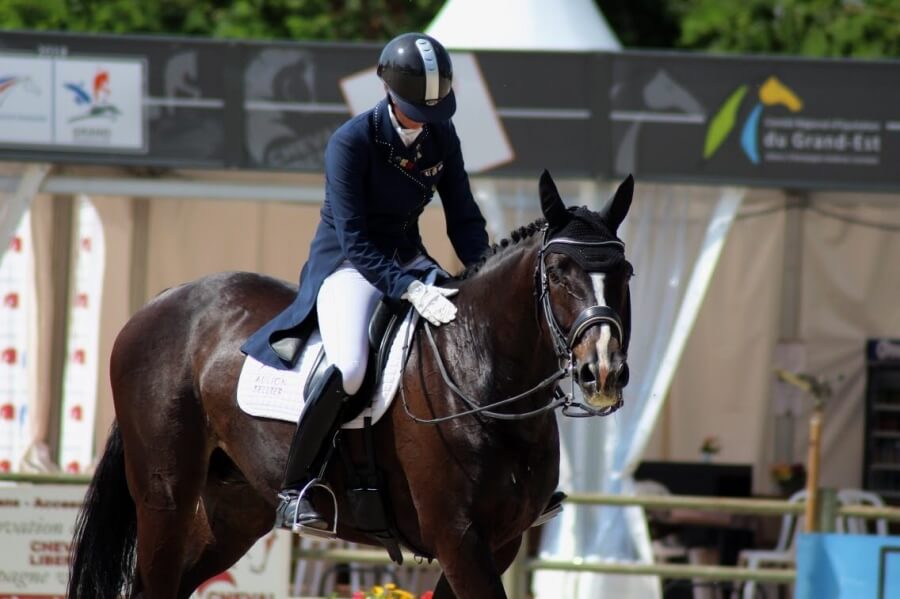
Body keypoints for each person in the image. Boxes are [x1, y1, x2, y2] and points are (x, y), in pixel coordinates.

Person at [240, 32, 490, 532]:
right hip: (348, 267)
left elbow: (463, 217)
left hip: (410, 260)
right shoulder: (350, 143)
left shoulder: (443, 135)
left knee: (476, 344)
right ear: (391, 94)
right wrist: (410, 289)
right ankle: (296, 487)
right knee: (351, 366)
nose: (429, 121)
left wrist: (482, 271)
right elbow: (355, 240)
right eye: (420, 109)